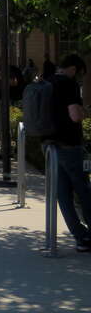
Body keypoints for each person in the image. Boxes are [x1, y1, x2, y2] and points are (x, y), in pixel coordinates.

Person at [42, 54, 91, 252]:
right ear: (73, 69)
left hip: (49, 145)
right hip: (69, 144)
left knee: (62, 194)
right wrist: (84, 112)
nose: (79, 77)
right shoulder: (68, 84)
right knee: (84, 191)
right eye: (79, 73)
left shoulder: (47, 81)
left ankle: (80, 238)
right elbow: (74, 115)